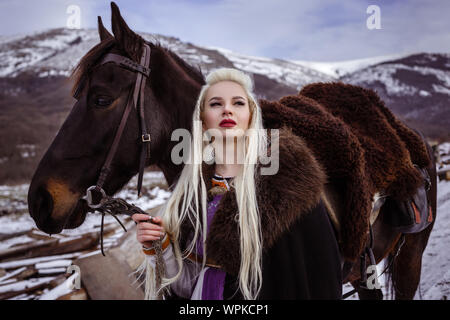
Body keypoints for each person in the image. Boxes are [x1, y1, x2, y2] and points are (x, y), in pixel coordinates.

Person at [131, 68, 342, 300]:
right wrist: (162, 249)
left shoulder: (290, 188)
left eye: (238, 103)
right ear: (203, 118)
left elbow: (319, 280)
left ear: (251, 114)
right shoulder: (191, 195)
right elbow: (188, 290)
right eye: (215, 104)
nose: (227, 110)